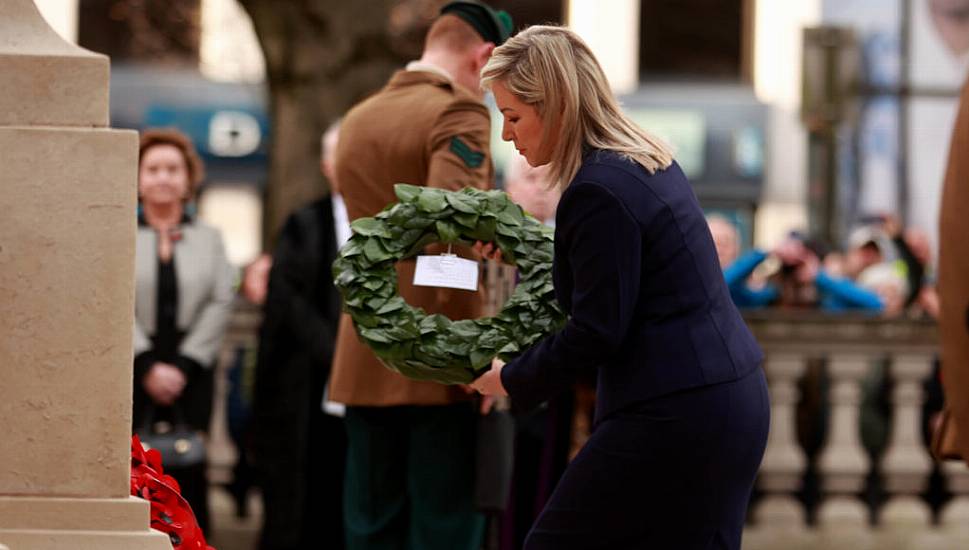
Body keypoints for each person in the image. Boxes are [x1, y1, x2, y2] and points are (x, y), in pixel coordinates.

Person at [469, 26, 770, 549]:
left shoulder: (596, 189)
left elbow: (596, 329)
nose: (507, 136)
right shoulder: (636, 160)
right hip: (718, 401)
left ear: (556, 104)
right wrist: (524, 248)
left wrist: (511, 380)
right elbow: (618, 274)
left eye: (513, 116)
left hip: (677, 412)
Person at [327, 3, 513, 549]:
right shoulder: (460, 112)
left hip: (364, 346)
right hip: (439, 349)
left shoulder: (360, 115)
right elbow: (451, 225)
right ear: (483, 56)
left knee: (369, 523)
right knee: (446, 526)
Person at [251, 121, 349, 550]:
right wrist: (335, 352)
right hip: (305, 393)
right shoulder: (303, 224)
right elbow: (286, 302)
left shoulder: (397, 226)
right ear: (328, 166)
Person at [133, 128, 235, 533]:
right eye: (153, 169)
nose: (163, 178)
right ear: (137, 178)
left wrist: (185, 365)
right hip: (132, 371)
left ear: (188, 179)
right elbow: (108, 297)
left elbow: (222, 298)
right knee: (132, 473)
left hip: (192, 373)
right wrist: (145, 364)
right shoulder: (118, 233)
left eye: (173, 169)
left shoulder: (209, 238)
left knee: (189, 474)